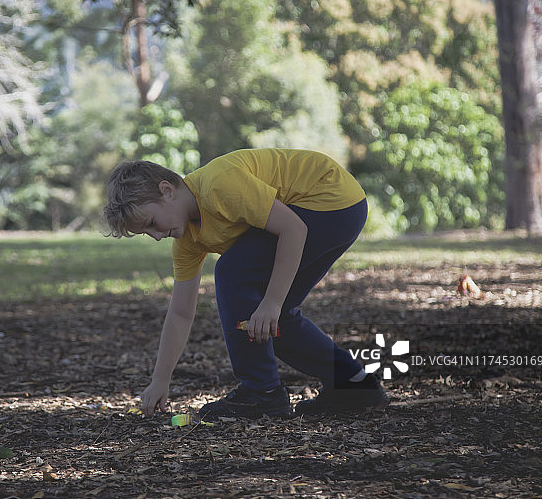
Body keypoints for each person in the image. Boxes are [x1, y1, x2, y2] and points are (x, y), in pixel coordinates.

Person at [103, 148, 388, 419]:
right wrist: (160, 381)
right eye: (145, 233)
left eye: (152, 222)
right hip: (336, 210)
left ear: (167, 190)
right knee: (275, 319)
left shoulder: (219, 186)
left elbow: (293, 228)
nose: (155, 236)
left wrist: (272, 302)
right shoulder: (187, 239)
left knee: (233, 273)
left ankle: (260, 390)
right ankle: (354, 386)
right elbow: (180, 312)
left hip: (328, 199)